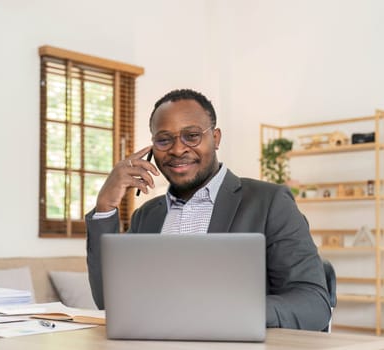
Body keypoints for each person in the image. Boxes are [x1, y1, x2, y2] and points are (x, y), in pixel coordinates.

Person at [85, 88, 331, 331]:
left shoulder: (269, 202)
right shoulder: (148, 215)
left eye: (191, 136)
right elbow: (110, 303)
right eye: (164, 139)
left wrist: (231, 312)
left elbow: (313, 303)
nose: (178, 149)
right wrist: (104, 207)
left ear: (216, 138)